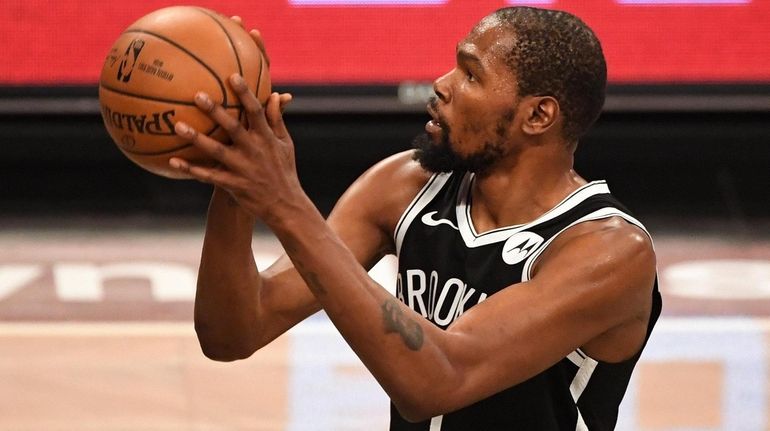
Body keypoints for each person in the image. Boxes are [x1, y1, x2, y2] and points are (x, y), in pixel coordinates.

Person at [169, 6, 662, 430]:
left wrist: (285, 205)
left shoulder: (609, 253)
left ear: (537, 117)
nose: (442, 84)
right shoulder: (406, 186)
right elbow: (232, 333)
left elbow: (438, 380)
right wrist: (235, 183)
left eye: (470, 74)